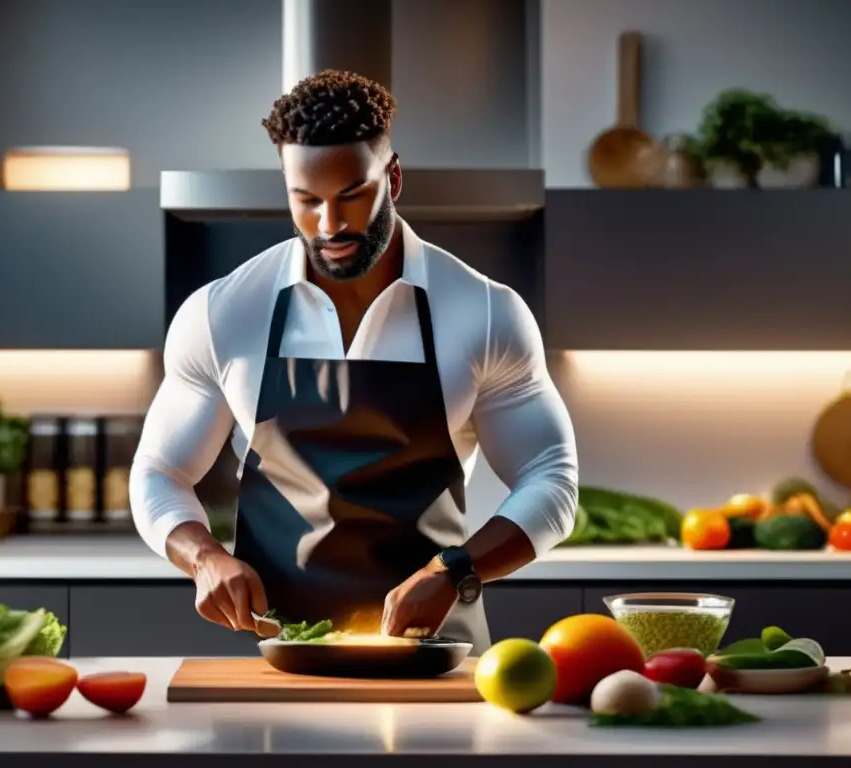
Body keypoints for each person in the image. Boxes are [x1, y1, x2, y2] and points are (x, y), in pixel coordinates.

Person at [129, 69, 578, 654]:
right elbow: (158, 472)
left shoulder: (484, 312)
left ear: (392, 177)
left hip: (435, 653)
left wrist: (454, 570)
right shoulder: (223, 313)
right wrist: (205, 557)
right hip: (280, 650)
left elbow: (551, 477)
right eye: (307, 201)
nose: (330, 225)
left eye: (352, 196)